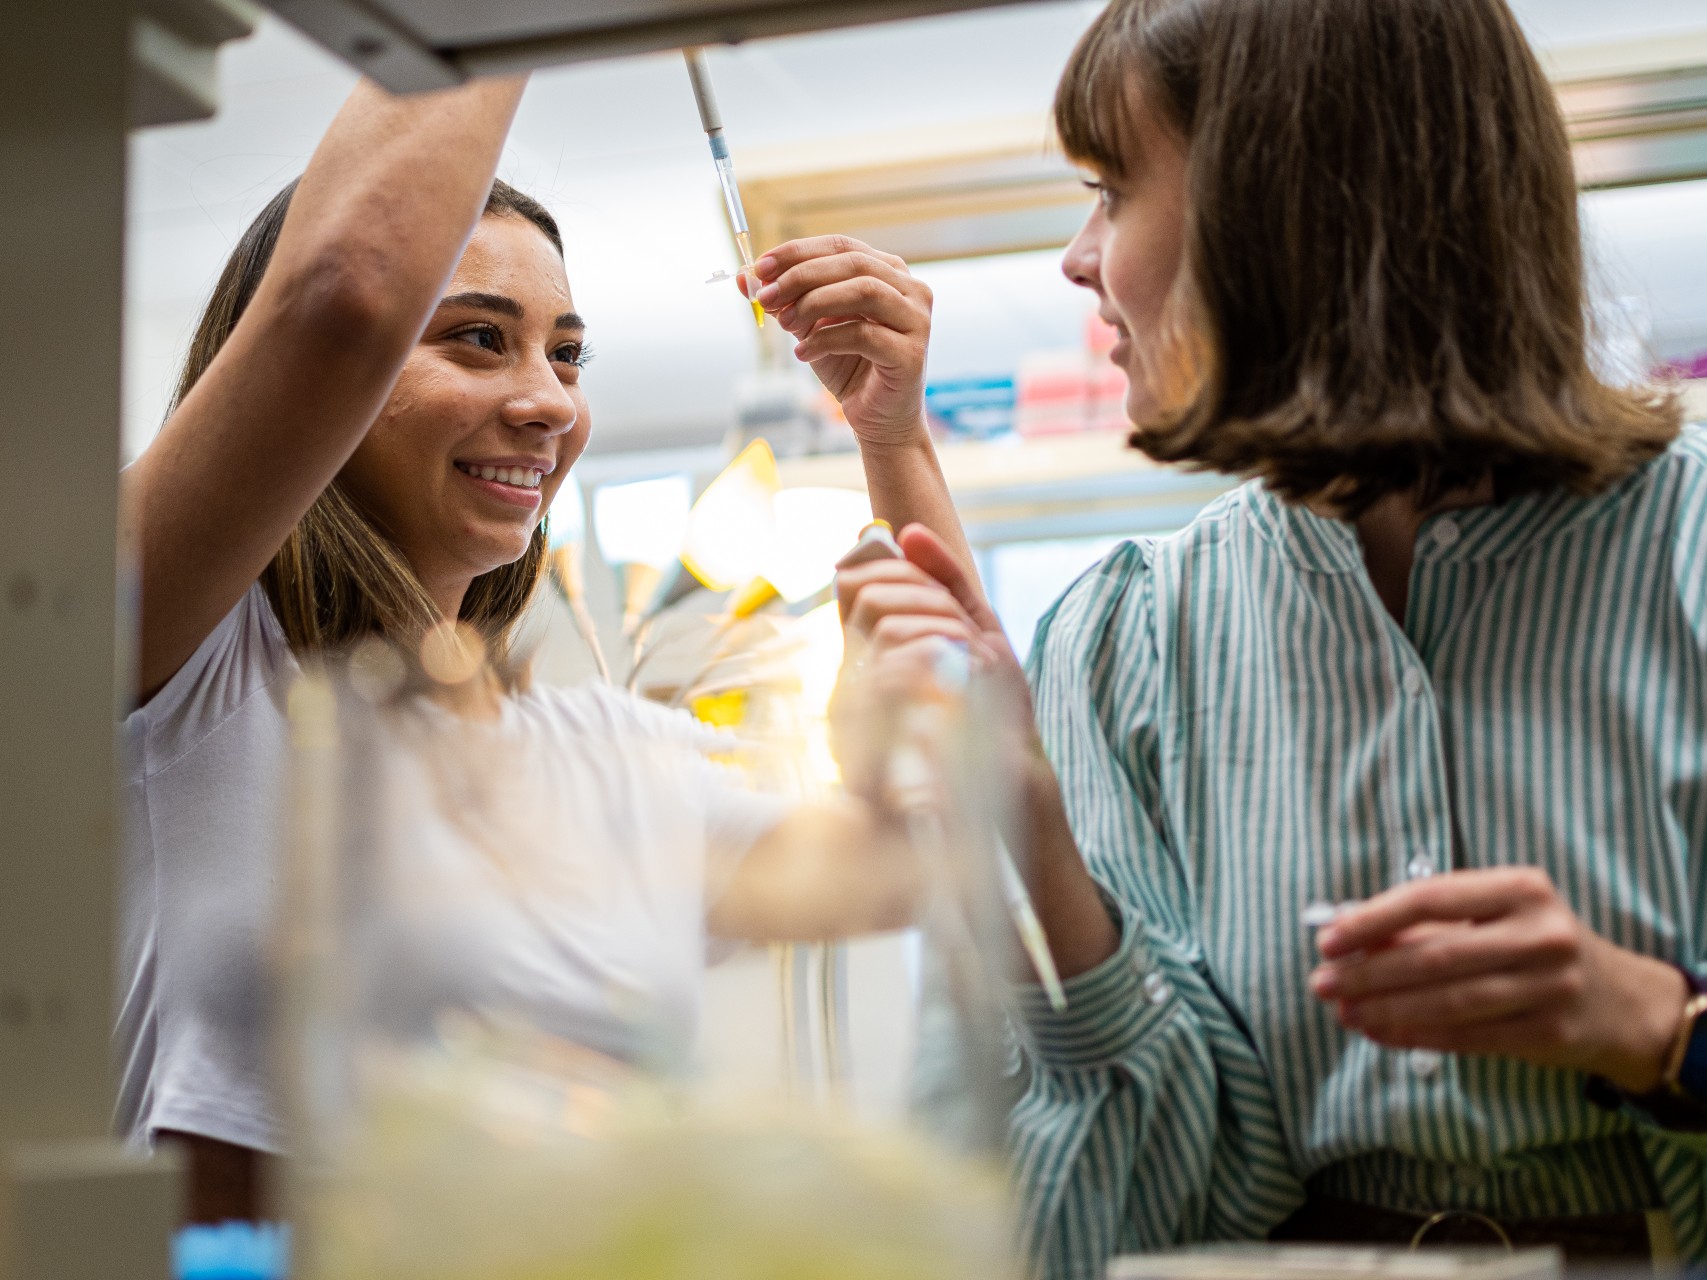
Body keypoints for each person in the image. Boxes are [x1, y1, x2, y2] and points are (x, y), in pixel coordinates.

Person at [825, 0, 1707, 1274]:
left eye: (1111, 191)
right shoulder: (1132, 635)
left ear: (1294, 207)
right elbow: (1126, 1206)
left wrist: (1658, 1024)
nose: (1079, 260)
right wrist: (1031, 830)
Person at [117, 75, 948, 1223]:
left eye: (567, 355)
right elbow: (345, 291)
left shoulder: (595, 755)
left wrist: (892, 433)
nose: (548, 400)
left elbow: (920, 852)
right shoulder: (187, 661)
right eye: (476, 338)